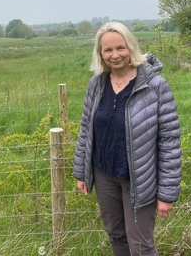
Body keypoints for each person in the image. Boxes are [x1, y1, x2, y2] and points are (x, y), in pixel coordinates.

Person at [73, 22, 181, 256]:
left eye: (120, 48)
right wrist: (81, 173)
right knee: (116, 235)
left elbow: (170, 142)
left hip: (140, 179)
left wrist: (166, 194)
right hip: (104, 175)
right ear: (100, 54)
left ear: (131, 47)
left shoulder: (155, 86)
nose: (114, 55)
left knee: (141, 244)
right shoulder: (96, 84)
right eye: (107, 50)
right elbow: (86, 130)